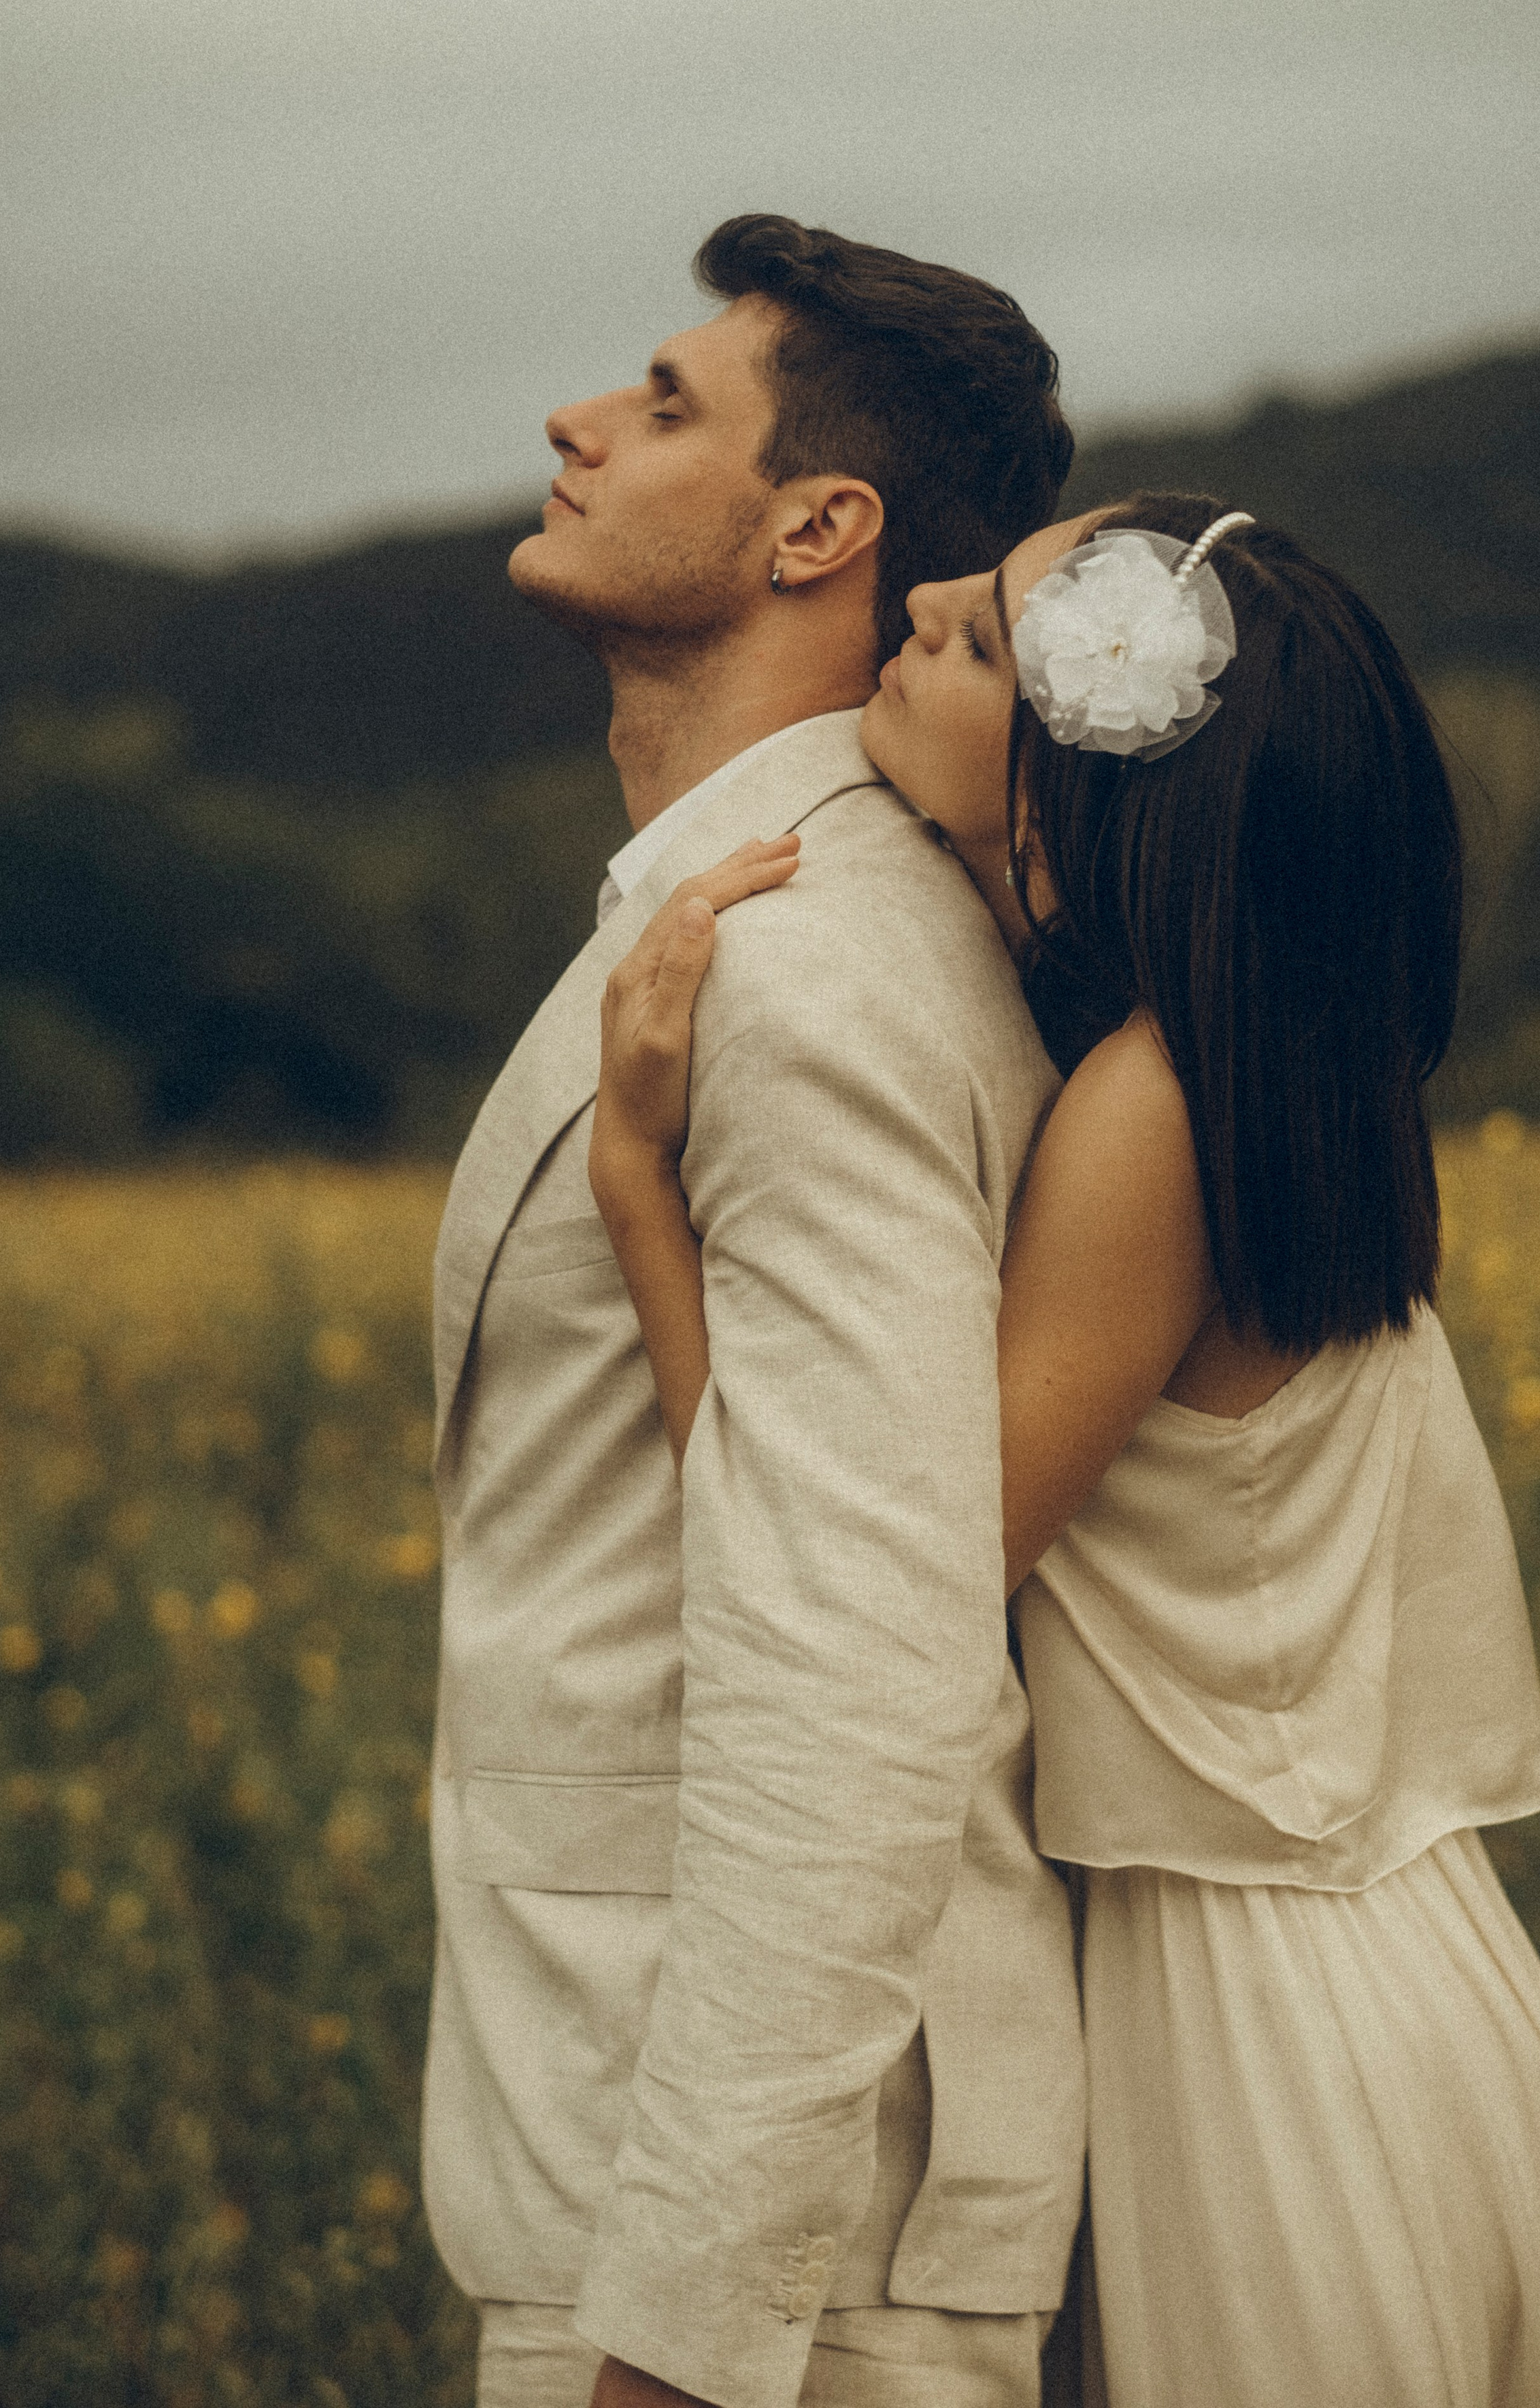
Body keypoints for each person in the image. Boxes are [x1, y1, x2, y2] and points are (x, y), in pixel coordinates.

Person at [591, 491, 1540, 2406]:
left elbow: (881, 1592)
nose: (922, 599)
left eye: (980, 641)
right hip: (1400, 1974)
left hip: (1269, 2039)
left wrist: (637, 1191)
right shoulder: (1255, 1071)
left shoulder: (1141, 1114)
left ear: (1071, 793)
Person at [420, 215, 1089, 2408]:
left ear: (823, 525)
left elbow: (860, 1668)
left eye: (669, 401)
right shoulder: (729, 930)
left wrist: (694, 2331)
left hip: (769, 2273)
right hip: (635, 2173)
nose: (578, 422)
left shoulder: (804, 973)